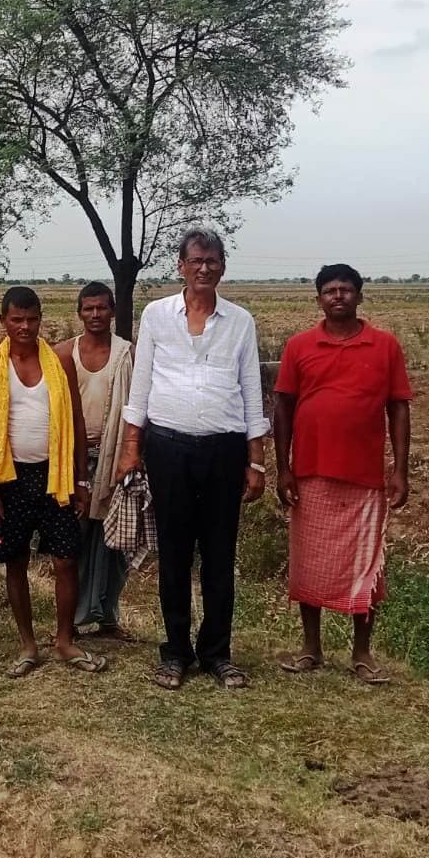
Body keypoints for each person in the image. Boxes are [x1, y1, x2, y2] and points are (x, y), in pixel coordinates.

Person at [117, 228, 269, 692]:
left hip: (224, 450)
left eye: (213, 260)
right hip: (168, 449)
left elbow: (251, 390)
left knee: (220, 555)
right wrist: (131, 447)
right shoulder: (157, 315)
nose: (204, 268)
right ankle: (176, 653)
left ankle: (217, 653)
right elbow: (141, 384)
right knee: (175, 554)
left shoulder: (240, 321)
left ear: (223, 267)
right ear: (180, 266)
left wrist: (256, 461)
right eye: (196, 260)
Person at [273, 264, 412, 685]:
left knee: (366, 565)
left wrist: (400, 470)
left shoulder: (385, 345)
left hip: (365, 476)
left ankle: (362, 653)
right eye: (330, 290)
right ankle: (310, 648)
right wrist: (283, 468)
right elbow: (283, 408)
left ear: (359, 296)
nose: (338, 296)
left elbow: (398, 408)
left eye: (346, 289)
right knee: (309, 562)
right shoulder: (299, 346)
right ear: (318, 299)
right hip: (310, 471)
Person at [0, 286, 105, 678]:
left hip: (55, 475)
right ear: (3, 321)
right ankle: (28, 644)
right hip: (8, 478)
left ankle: (64, 640)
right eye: (17, 319)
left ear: (40, 319)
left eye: (31, 319)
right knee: (16, 560)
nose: (25, 327)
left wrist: (81, 480)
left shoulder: (60, 361)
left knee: (66, 558)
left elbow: (75, 420)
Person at [54, 281, 135, 640]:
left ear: (112, 311)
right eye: (88, 308)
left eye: (102, 307)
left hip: (115, 457)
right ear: (79, 313)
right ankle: (70, 620)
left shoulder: (127, 354)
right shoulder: (62, 354)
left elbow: (138, 406)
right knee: (74, 540)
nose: (96, 314)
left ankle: (108, 617)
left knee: (115, 542)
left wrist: (133, 453)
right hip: (74, 459)